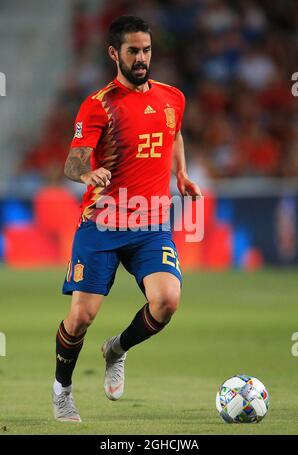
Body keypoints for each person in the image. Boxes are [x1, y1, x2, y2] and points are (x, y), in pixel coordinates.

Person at [52, 15, 201, 422]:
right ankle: (62, 390)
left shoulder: (173, 97)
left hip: (151, 223)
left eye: (147, 50)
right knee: (82, 316)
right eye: (133, 50)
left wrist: (181, 173)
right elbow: (72, 161)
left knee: (167, 301)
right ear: (114, 53)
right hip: (102, 222)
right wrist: (87, 172)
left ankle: (116, 349)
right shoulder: (98, 104)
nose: (141, 58)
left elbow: (175, 134)